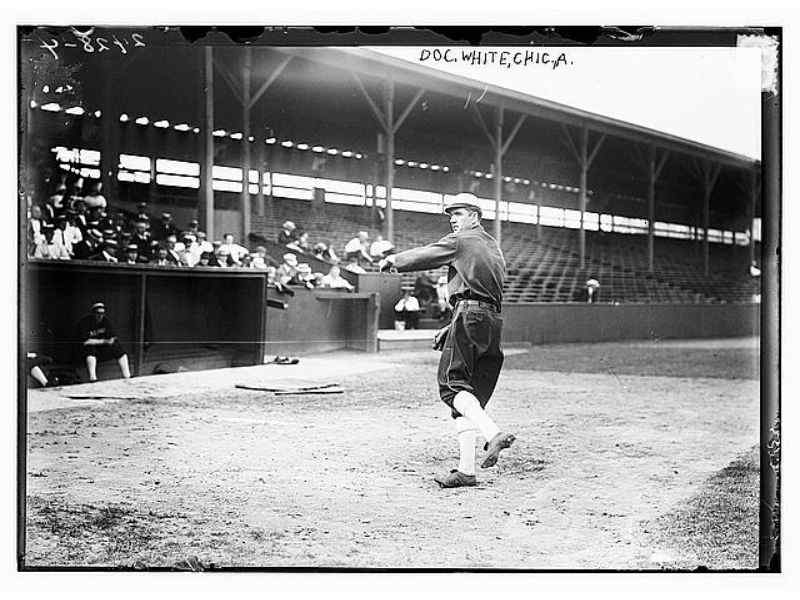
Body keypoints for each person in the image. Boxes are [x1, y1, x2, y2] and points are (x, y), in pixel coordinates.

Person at [378, 192, 514, 488]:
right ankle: (466, 471)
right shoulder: (495, 248)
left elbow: (428, 253)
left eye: (459, 213)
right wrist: (452, 325)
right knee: (468, 399)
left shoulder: (464, 239)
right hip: (491, 322)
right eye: (451, 214)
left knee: (452, 387)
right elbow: (481, 293)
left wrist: (394, 261)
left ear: (475, 216)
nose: (453, 219)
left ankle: (493, 434)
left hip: (470, 316)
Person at [76, 302, 131, 382]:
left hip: (101, 348)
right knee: (90, 349)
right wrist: (104, 341)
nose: (100, 315)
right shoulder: (85, 322)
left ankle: (127, 376)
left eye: (102, 313)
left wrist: (109, 341)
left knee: (118, 347)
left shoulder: (105, 321)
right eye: (98, 313)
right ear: (93, 313)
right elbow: (86, 342)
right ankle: (93, 378)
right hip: (82, 351)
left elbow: (112, 338)